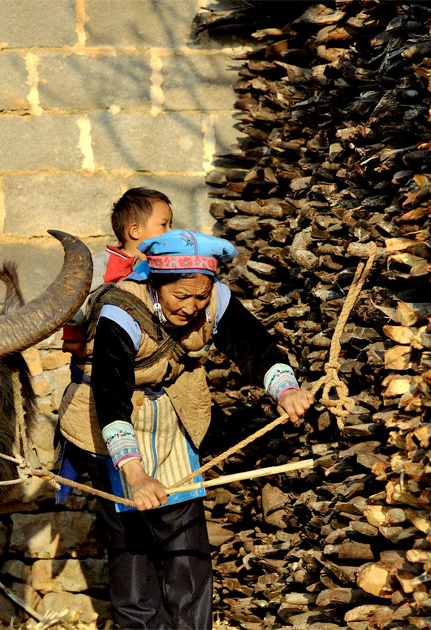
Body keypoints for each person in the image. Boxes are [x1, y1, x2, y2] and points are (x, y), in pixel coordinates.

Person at [57, 229, 314, 629]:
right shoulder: (119, 312)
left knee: (187, 550)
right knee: (133, 553)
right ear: (156, 284)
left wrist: (286, 391)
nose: (193, 307)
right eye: (181, 296)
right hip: (114, 434)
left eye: (200, 296)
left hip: (173, 426)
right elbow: (111, 399)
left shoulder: (211, 298)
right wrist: (137, 474)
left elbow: (254, 347)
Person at [55, 188, 173, 502]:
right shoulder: (99, 266)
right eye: (164, 225)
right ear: (135, 231)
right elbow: (74, 308)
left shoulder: (164, 267)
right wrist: (76, 342)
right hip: (103, 379)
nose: (169, 232)